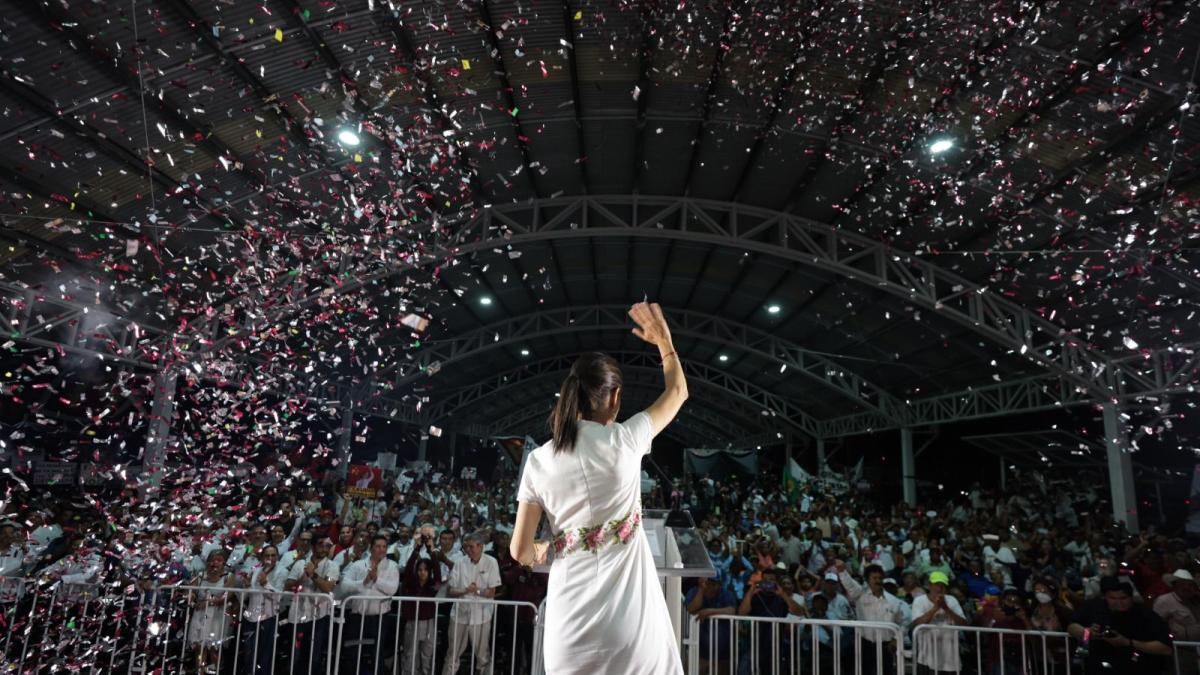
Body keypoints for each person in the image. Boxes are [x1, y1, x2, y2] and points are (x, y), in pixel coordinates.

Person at [509, 302, 688, 674]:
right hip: (630, 630)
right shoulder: (625, 440)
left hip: (568, 630)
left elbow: (521, 550)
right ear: (615, 398)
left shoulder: (540, 460)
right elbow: (677, 393)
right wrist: (665, 343)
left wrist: (547, 547)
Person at [1067, 576, 1173, 674]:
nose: (1119, 603)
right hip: (1098, 667)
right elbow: (1071, 626)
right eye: (1112, 598)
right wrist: (1087, 632)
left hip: (1136, 668)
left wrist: (1128, 643)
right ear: (1105, 597)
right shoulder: (1094, 607)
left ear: (1131, 597)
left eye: (1123, 598)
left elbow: (1166, 648)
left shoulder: (1145, 614)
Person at [340, 534, 400, 675]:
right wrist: (364, 582)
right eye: (378, 546)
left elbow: (392, 589)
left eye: (384, 546)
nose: (381, 549)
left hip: (379, 617)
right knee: (353, 651)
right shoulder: (358, 565)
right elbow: (344, 586)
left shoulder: (392, 566)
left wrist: (376, 579)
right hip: (357, 616)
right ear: (371, 548)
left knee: (376, 652)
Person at [443, 531, 501, 675]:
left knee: (482, 656)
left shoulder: (491, 562)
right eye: (466, 547)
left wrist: (477, 591)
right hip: (459, 615)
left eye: (471, 547)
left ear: (481, 546)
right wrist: (465, 590)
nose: (468, 550)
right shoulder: (460, 562)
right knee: (452, 653)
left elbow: (492, 592)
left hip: (482, 616)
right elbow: (450, 590)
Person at [836, 560, 905, 675]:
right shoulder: (859, 595)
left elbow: (901, 622)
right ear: (868, 580)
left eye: (880, 578)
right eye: (874, 578)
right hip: (865, 644)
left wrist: (896, 639)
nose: (878, 581)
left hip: (886, 646)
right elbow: (850, 585)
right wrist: (842, 571)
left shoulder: (894, 601)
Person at [285, 536, 339, 675]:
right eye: (321, 544)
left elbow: (328, 588)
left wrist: (313, 575)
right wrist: (301, 579)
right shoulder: (300, 564)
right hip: (297, 615)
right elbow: (287, 585)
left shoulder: (332, 566)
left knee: (314, 656)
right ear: (314, 546)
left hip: (319, 617)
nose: (324, 548)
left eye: (328, 546)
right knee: (295, 655)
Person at [239, 544, 287, 675]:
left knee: (265, 654)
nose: (270, 558)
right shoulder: (256, 570)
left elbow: (279, 597)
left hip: (269, 617)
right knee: (249, 652)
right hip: (251, 616)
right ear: (261, 557)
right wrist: (248, 586)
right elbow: (249, 594)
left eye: (273, 555)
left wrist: (266, 584)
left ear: (277, 557)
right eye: (267, 555)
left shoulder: (282, 572)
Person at [911, 571, 967, 674]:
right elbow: (917, 623)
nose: (939, 588)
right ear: (929, 585)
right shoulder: (919, 601)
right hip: (926, 657)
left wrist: (946, 608)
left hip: (950, 658)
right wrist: (936, 607)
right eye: (936, 584)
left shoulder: (952, 600)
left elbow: (963, 623)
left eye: (943, 585)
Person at [400, 536, 442, 675]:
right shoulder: (411, 583)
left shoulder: (433, 585)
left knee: (427, 653)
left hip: (429, 622)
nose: (422, 572)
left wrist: (431, 551)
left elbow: (437, 573)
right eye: (420, 569)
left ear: (429, 572)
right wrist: (416, 549)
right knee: (411, 653)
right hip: (413, 622)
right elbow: (407, 570)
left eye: (425, 570)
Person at [685, 575, 737, 675]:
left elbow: (732, 610)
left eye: (714, 584)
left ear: (720, 585)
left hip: (722, 654)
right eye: (708, 583)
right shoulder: (694, 591)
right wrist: (701, 590)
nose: (711, 587)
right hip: (698, 651)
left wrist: (709, 611)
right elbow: (691, 608)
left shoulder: (726, 594)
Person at [1153, 569, 1200, 675]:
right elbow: (1155, 624)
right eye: (1182, 584)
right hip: (1180, 651)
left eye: (1189, 584)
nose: (1186, 587)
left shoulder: (1195, 600)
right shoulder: (1164, 600)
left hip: (1196, 649)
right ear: (1174, 585)